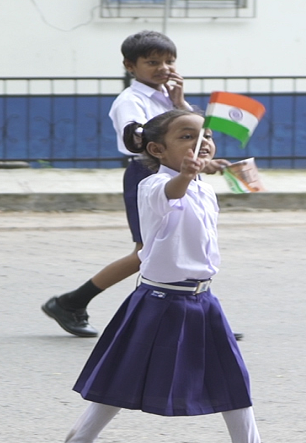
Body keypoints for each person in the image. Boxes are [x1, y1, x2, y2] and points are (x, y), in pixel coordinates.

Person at [47, 109, 306, 443]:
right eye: (186, 137)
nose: (201, 142)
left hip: (202, 300)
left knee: (232, 378)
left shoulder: (203, 188)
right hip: (161, 301)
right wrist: (187, 174)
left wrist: (198, 173)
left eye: (204, 136)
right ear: (158, 149)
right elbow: (169, 193)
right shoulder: (153, 186)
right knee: (123, 378)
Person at [41, 30, 193, 338]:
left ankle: (197, 315)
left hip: (175, 175)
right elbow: (134, 138)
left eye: (169, 61)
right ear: (130, 66)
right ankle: (72, 302)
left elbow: (195, 133)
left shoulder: (167, 97)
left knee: (184, 243)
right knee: (147, 251)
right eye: (153, 62)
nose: (163, 68)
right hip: (148, 176)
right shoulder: (131, 100)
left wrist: (179, 105)